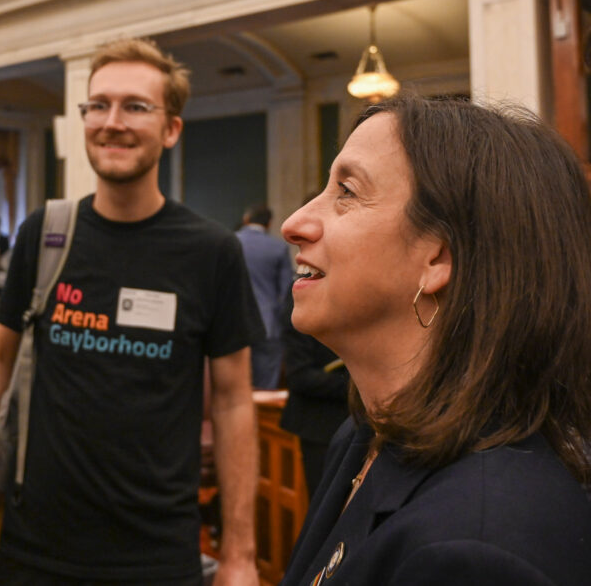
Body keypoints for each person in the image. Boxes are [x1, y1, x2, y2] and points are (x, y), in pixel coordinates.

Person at [0, 37, 265, 586]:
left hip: (158, 555)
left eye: (136, 106)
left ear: (171, 129)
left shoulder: (211, 252)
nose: (113, 121)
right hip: (32, 549)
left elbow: (233, 402)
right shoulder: (45, 233)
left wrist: (240, 553)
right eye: (99, 105)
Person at [280, 95, 591, 586]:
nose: (293, 223)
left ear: (438, 258)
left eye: (346, 191)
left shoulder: (477, 548)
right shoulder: (366, 434)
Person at [277, 288, 348, 498]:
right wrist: (356, 385)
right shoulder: (301, 299)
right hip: (318, 425)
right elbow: (299, 375)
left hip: (353, 421)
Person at [236, 205, 293, 389]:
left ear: (246, 219)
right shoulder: (278, 247)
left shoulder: (229, 242)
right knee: (266, 387)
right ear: (269, 223)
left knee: (235, 386)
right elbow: (286, 291)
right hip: (268, 324)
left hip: (234, 323)